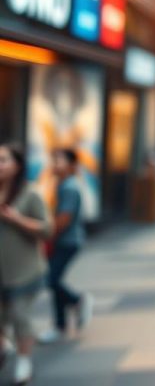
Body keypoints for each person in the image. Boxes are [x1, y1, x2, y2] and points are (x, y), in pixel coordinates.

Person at [0, 142, 52, 385]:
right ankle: (6, 347)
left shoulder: (29, 193)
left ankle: (23, 361)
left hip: (24, 271)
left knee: (21, 316)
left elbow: (47, 229)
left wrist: (18, 219)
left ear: (17, 166)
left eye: (3, 160)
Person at [37, 149, 92, 344]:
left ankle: (76, 301)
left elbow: (63, 220)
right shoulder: (62, 184)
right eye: (53, 160)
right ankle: (60, 325)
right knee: (53, 280)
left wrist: (46, 235)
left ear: (71, 165)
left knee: (51, 280)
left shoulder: (68, 187)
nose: (54, 164)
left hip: (67, 241)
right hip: (64, 241)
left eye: (59, 161)